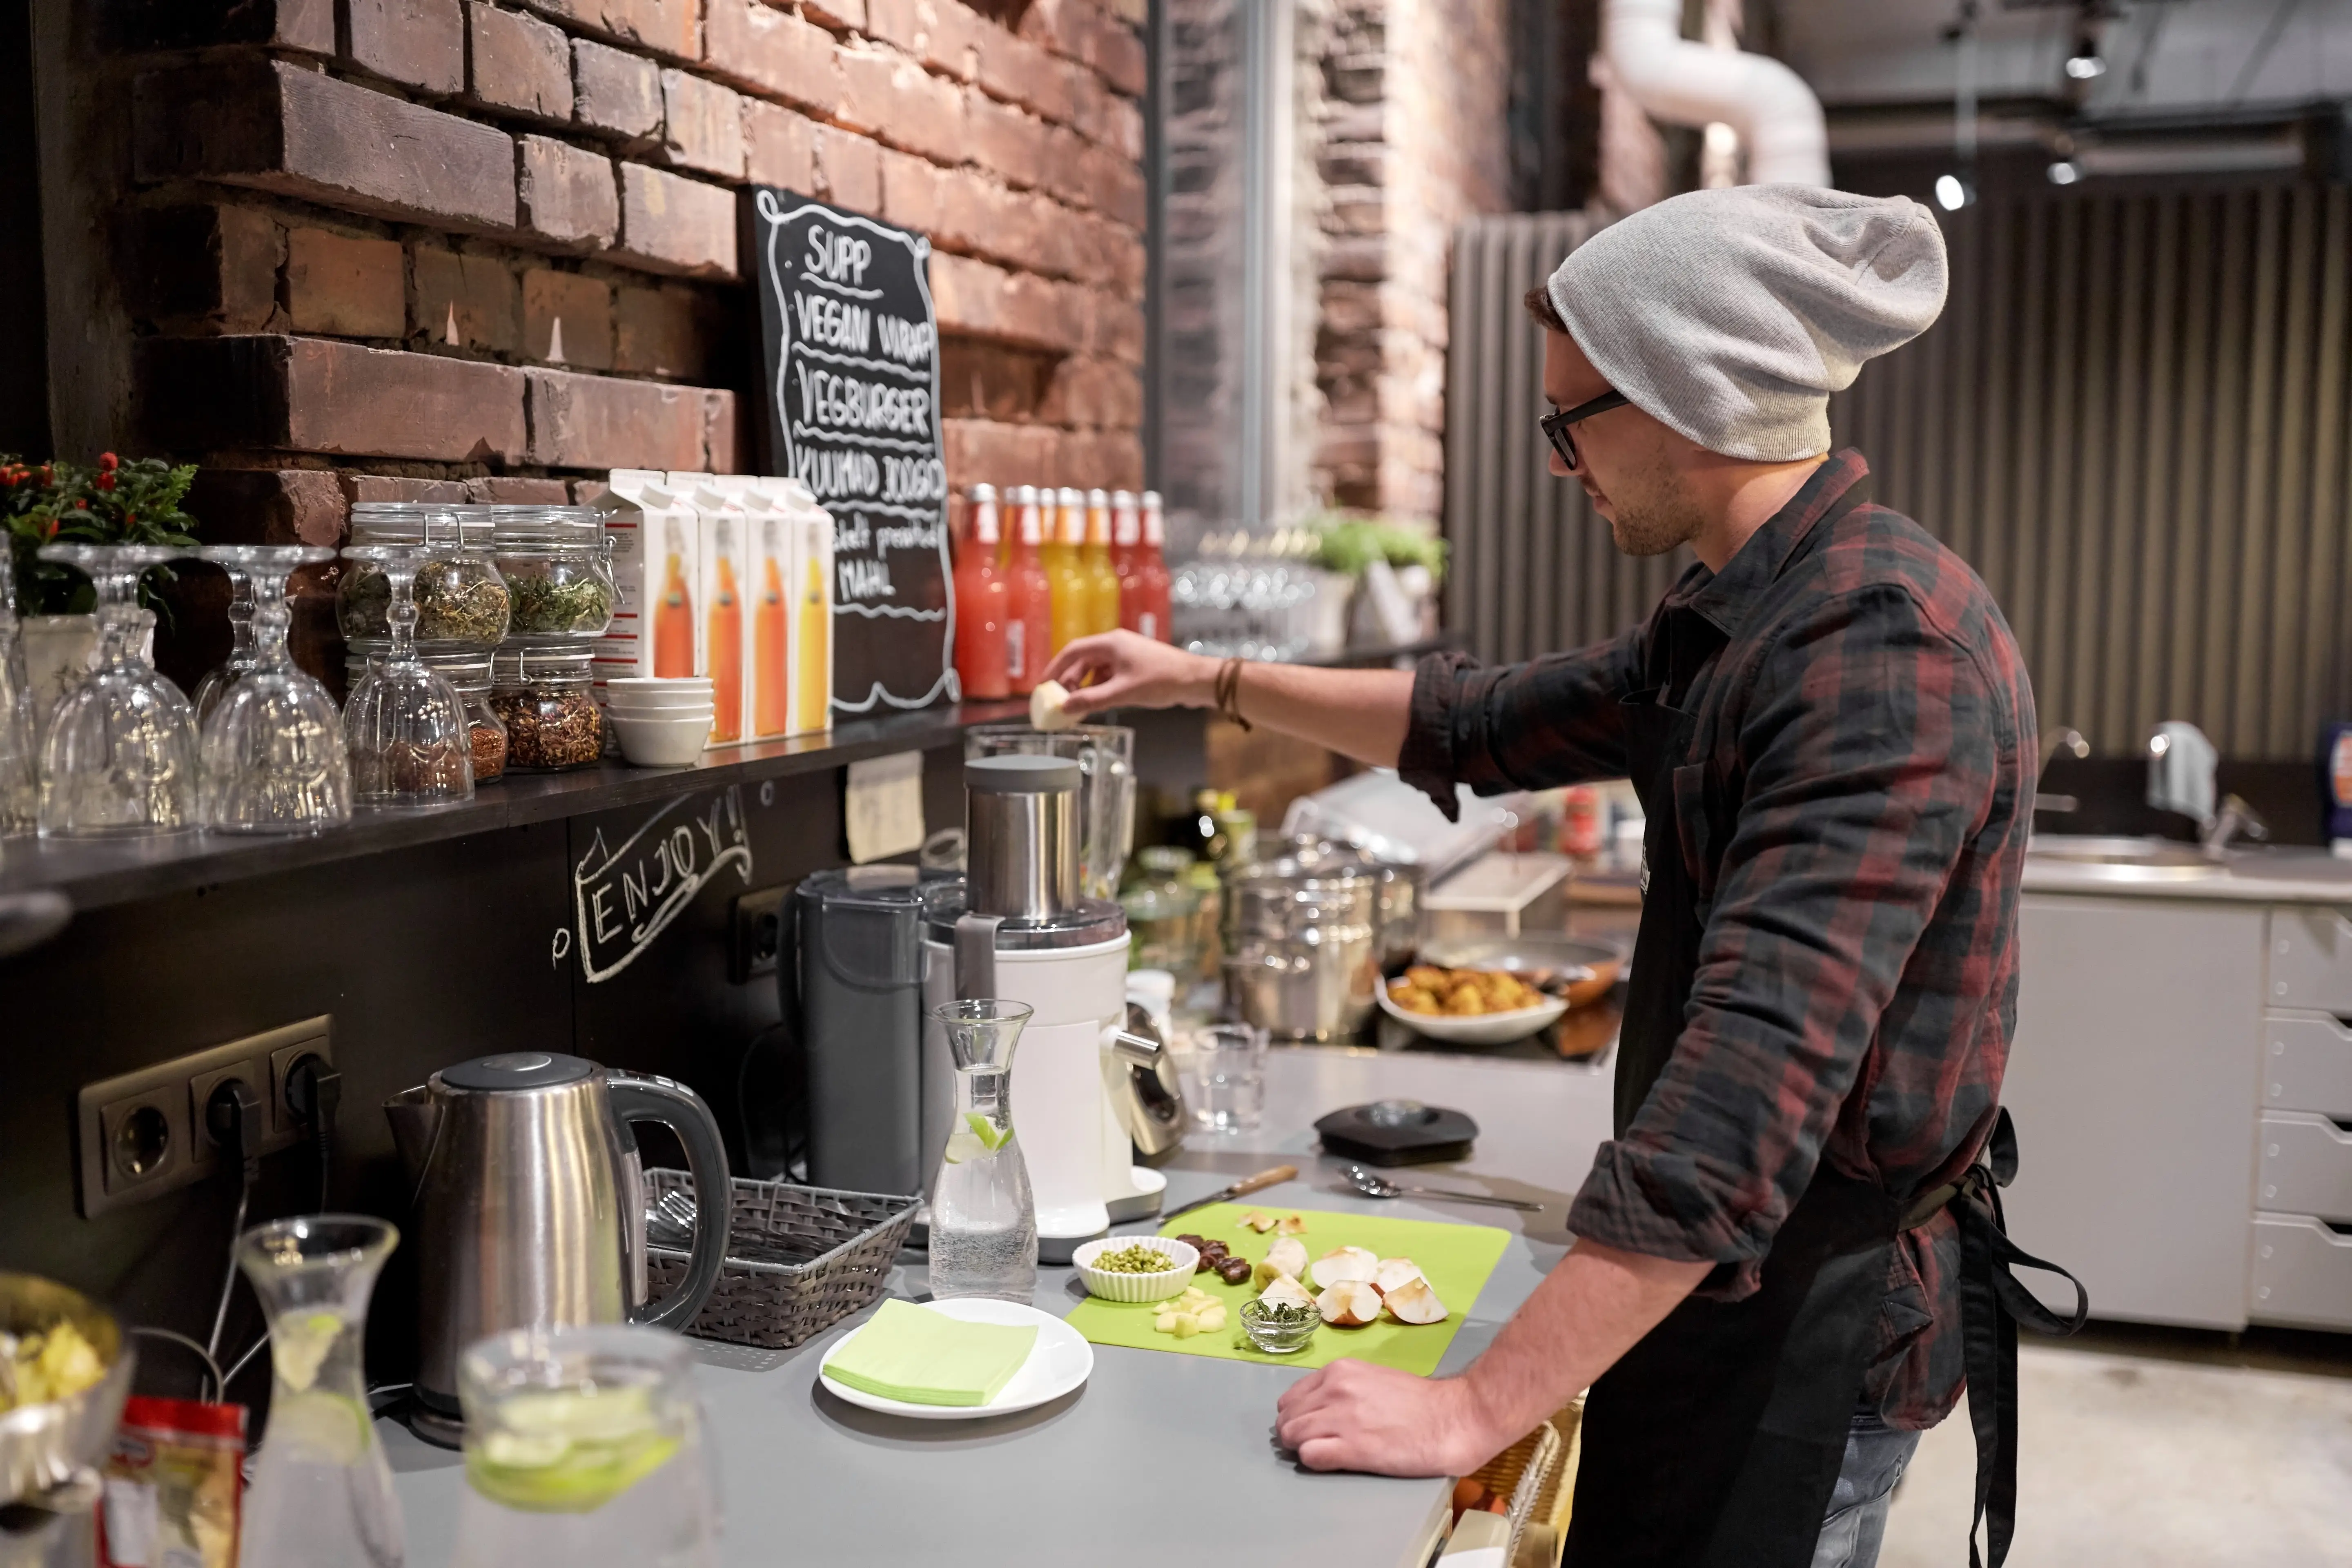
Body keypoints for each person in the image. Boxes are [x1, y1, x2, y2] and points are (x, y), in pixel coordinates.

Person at [1041, 187, 2081, 1568]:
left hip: (1809, 1328)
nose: (1558, 464)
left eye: (1567, 422)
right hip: (1716, 1293)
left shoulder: (1875, 655)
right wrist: (1203, 677)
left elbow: (1743, 1106)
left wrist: (1473, 1405)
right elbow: (1474, 721)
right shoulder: (1738, 614)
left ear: (1680, 396)